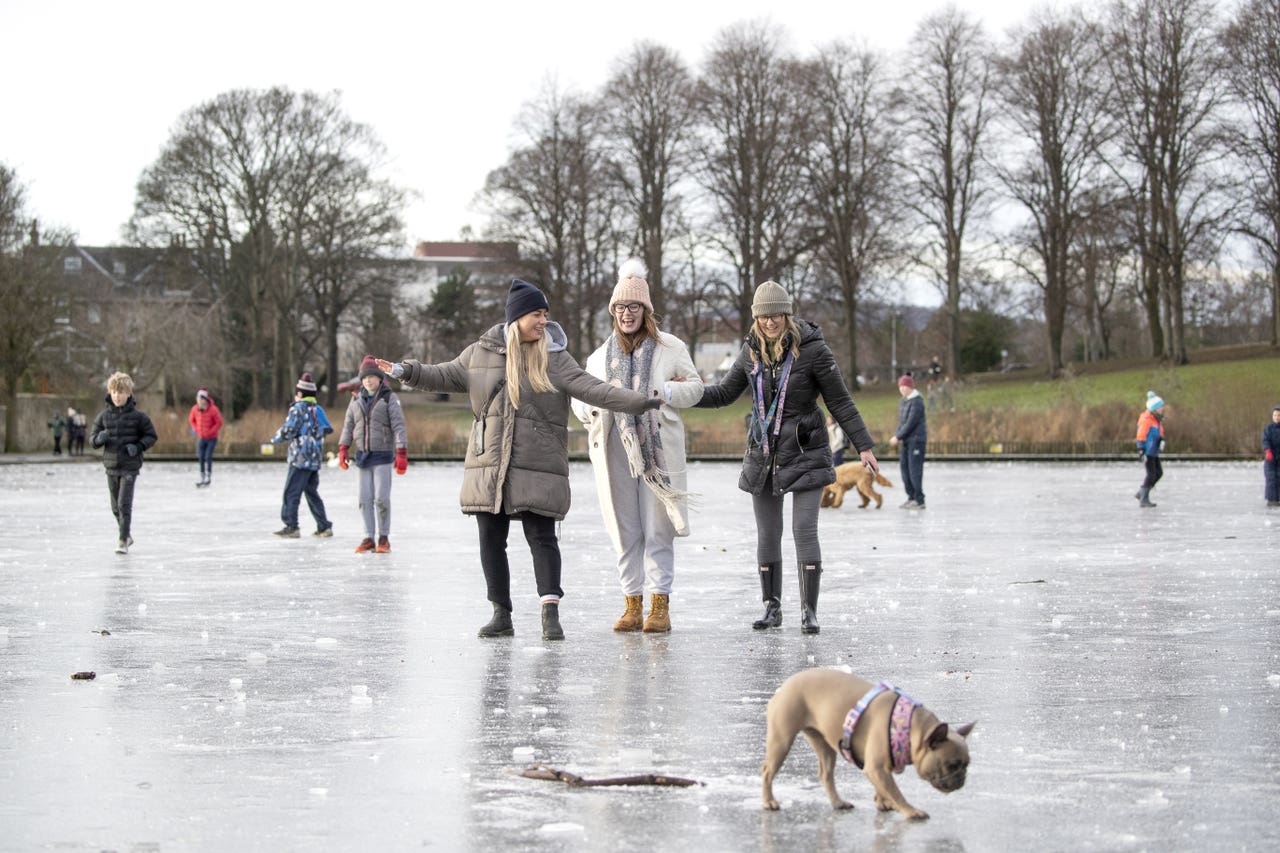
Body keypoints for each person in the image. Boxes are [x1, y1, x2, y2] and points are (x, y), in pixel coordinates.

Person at [377, 278, 660, 641]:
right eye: (536, 314)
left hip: (538, 461)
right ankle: (500, 613)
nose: (543, 321)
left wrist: (642, 401)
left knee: (541, 536)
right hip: (489, 462)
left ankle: (550, 613)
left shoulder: (555, 357)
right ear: (517, 318)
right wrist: (405, 371)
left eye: (545, 314)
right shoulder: (480, 353)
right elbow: (443, 374)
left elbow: (594, 389)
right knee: (490, 538)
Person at [694, 280, 878, 634]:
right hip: (763, 455)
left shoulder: (813, 351)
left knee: (804, 529)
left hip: (806, 450)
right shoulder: (750, 354)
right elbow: (721, 394)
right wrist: (678, 393)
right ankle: (771, 606)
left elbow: (839, 401)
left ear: (787, 313)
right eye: (763, 316)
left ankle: (809, 610)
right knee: (768, 533)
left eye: (776, 314)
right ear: (756, 318)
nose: (770, 321)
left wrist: (864, 445)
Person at [571, 259, 704, 634]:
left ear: (645, 311)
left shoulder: (670, 347)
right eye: (620, 308)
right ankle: (632, 603)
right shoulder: (599, 357)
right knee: (624, 526)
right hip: (614, 447)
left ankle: (659, 605)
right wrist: (590, 409)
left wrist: (663, 392)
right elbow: (579, 398)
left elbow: (695, 388)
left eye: (634, 307)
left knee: (657, 525)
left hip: (657, 450)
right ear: (612, 311)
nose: (626, 314)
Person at [338, 355, 408, 554]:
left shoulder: (389, 397)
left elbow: (398, 426)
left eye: (372, 377)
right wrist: (344, 448)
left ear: (379, 378)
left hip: (383, 456)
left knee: (381, 498)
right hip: (363, 457)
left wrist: (401, 452)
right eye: (364, 377)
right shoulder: (355, 400)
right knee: (364, 498)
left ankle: (383, 537)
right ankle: (368, 536)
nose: (368, 380)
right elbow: (348, 425)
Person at [90, 372, 157, 554]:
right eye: (114, 392)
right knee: (114, 507)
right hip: (110, 466)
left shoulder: (139, 418)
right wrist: (99, 439)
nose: (117, 396)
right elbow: (92, 440)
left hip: (130, 466)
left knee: (123, 504)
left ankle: (122, 541)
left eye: (120, 392)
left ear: (128, 394)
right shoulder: (103, 417)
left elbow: (151, 436)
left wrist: (138, 446)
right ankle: (126, 533)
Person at [270, 372, 334, 538]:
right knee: (311, 492)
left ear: (299, 394)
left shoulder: (297, 409)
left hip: (300, 458)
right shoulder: (318, 410)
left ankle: (291, 526)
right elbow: (327, 429)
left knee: (291, 492)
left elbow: (289, 430)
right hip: (314, 459)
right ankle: (323, 525)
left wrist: (276, 437)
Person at [890, 374, 928, 509]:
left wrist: (898, 437)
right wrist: (897, 435)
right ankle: (911, 497)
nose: (903, 389)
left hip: (916, 441)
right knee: (905, 470)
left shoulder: (917, 401)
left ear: (911, 387)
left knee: (914, 470)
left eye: (905, 387)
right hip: (906, 441)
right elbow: (902, 422)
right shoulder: (903, 401)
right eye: (901, 387)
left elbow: (911, 423)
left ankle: (919, 499)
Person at [1135, 390, 1167, 508]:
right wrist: (1141, 449)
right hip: (1148, 451)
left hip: (1154, 451)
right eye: (1160, 407)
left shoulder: (1157, 420)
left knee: (1158, 473)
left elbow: (1159, 434)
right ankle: (1143, 498)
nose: (1162, 409)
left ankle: (1141, 493)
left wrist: (1162, 441)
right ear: (1154, 408)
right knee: (1151, 475)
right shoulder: (1147, 420)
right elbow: (1141, 435)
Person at [188, 387, 224, 487]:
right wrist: (196, 429)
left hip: (212, 438)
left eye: (201, 399)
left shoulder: (213, 410)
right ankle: (202, 476)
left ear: (205, 399)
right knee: (201, 457)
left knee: (208, 456)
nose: (199, 401)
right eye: (198, 399)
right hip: (201, 437)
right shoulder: (195, 409)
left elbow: (219, 422)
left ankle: (208, 476)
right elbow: (191, 420)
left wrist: (211, 431)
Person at [1263, 405, 1280, 508]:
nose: (1277, 417)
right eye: (1275, 415)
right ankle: (1272, 500)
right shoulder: (1268, 429)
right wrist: (1268, 450)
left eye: (1279, 415)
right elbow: (1265, 440)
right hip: (1271, 459)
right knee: (1271, 478)